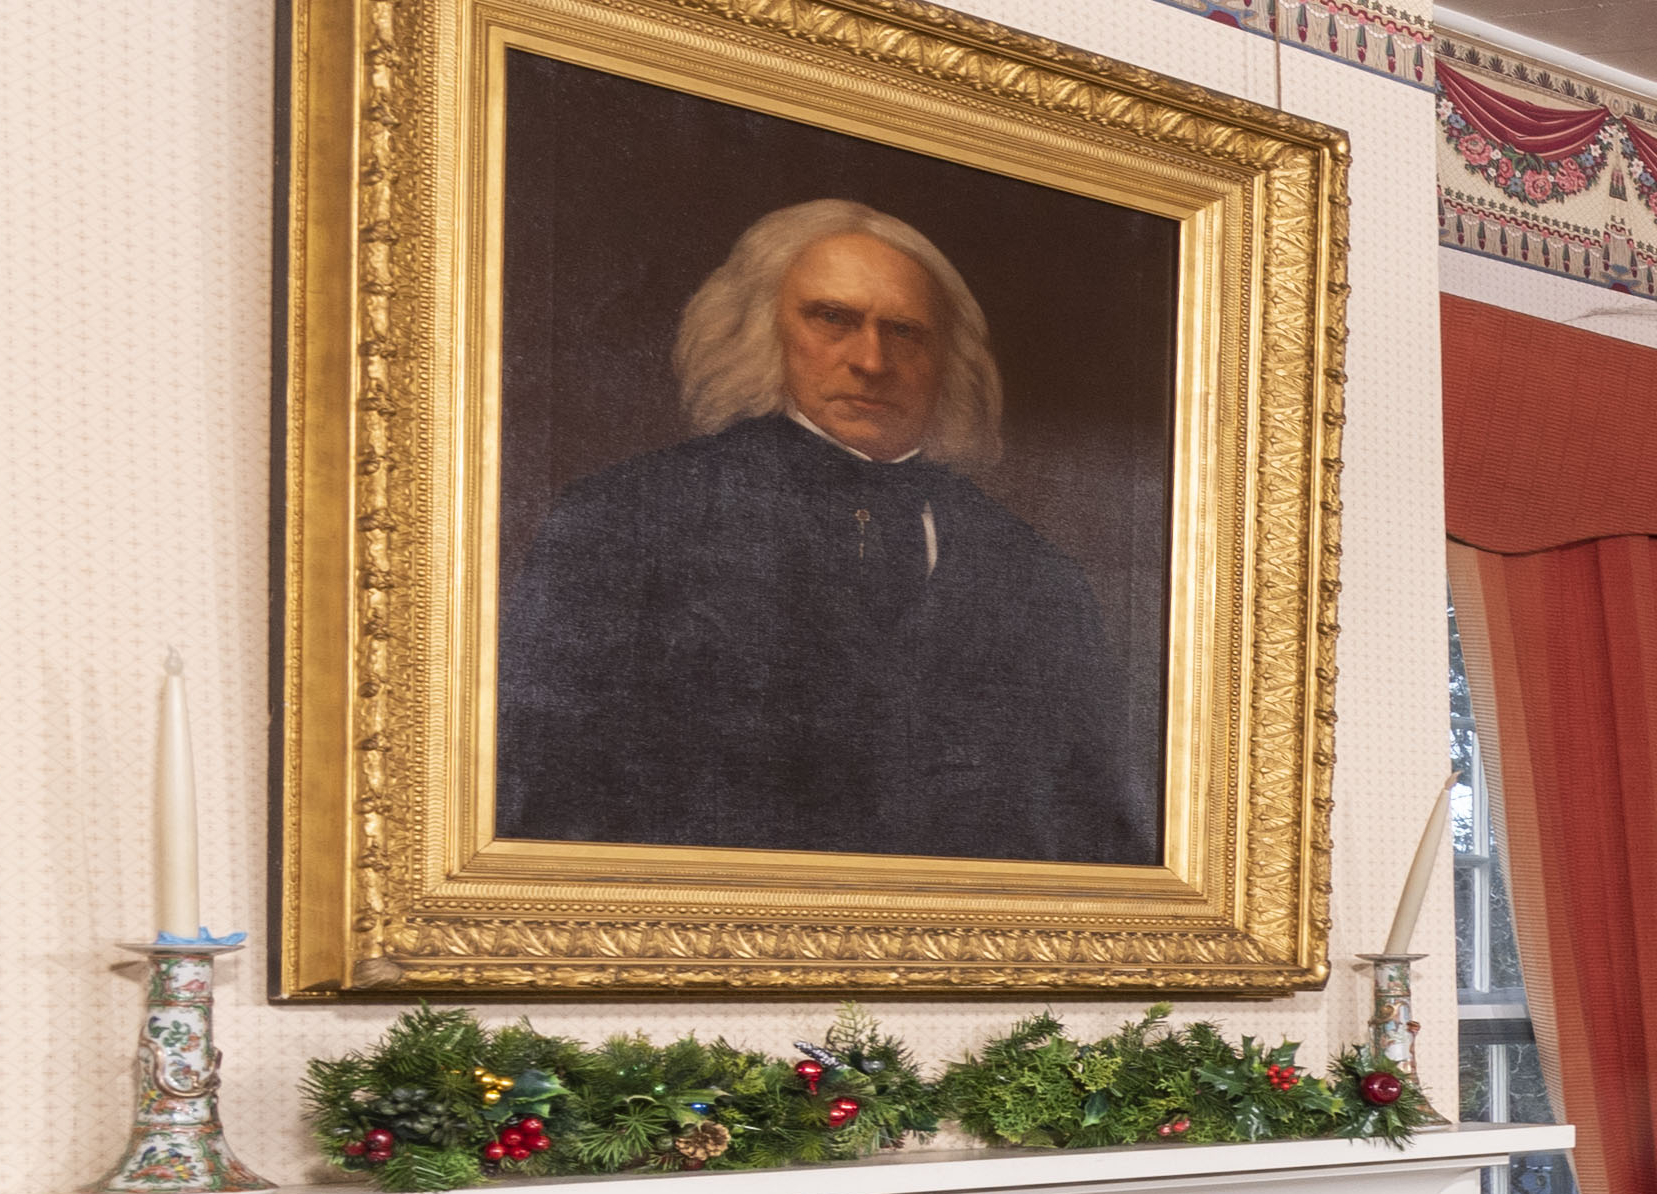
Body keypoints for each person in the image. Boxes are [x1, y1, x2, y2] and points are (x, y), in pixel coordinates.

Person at [495, 198, 1160, 864]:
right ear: (761, 329)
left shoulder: (1039, 576)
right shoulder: (621, 520)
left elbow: (1098, 830)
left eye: (905, 331)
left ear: (944, 359)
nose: (871, 360)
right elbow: (537, 801)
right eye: (832, 319)